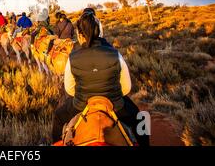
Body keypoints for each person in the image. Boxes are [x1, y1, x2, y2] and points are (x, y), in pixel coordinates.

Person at [51, 11, 149, 146]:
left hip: (81, 105)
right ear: (99, 31)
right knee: (141, 117)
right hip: (115, 105)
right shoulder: (115, 54)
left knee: (58, 116)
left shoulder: (72, 58)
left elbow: (70, 89)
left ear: (79, 35)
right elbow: (126, 88)